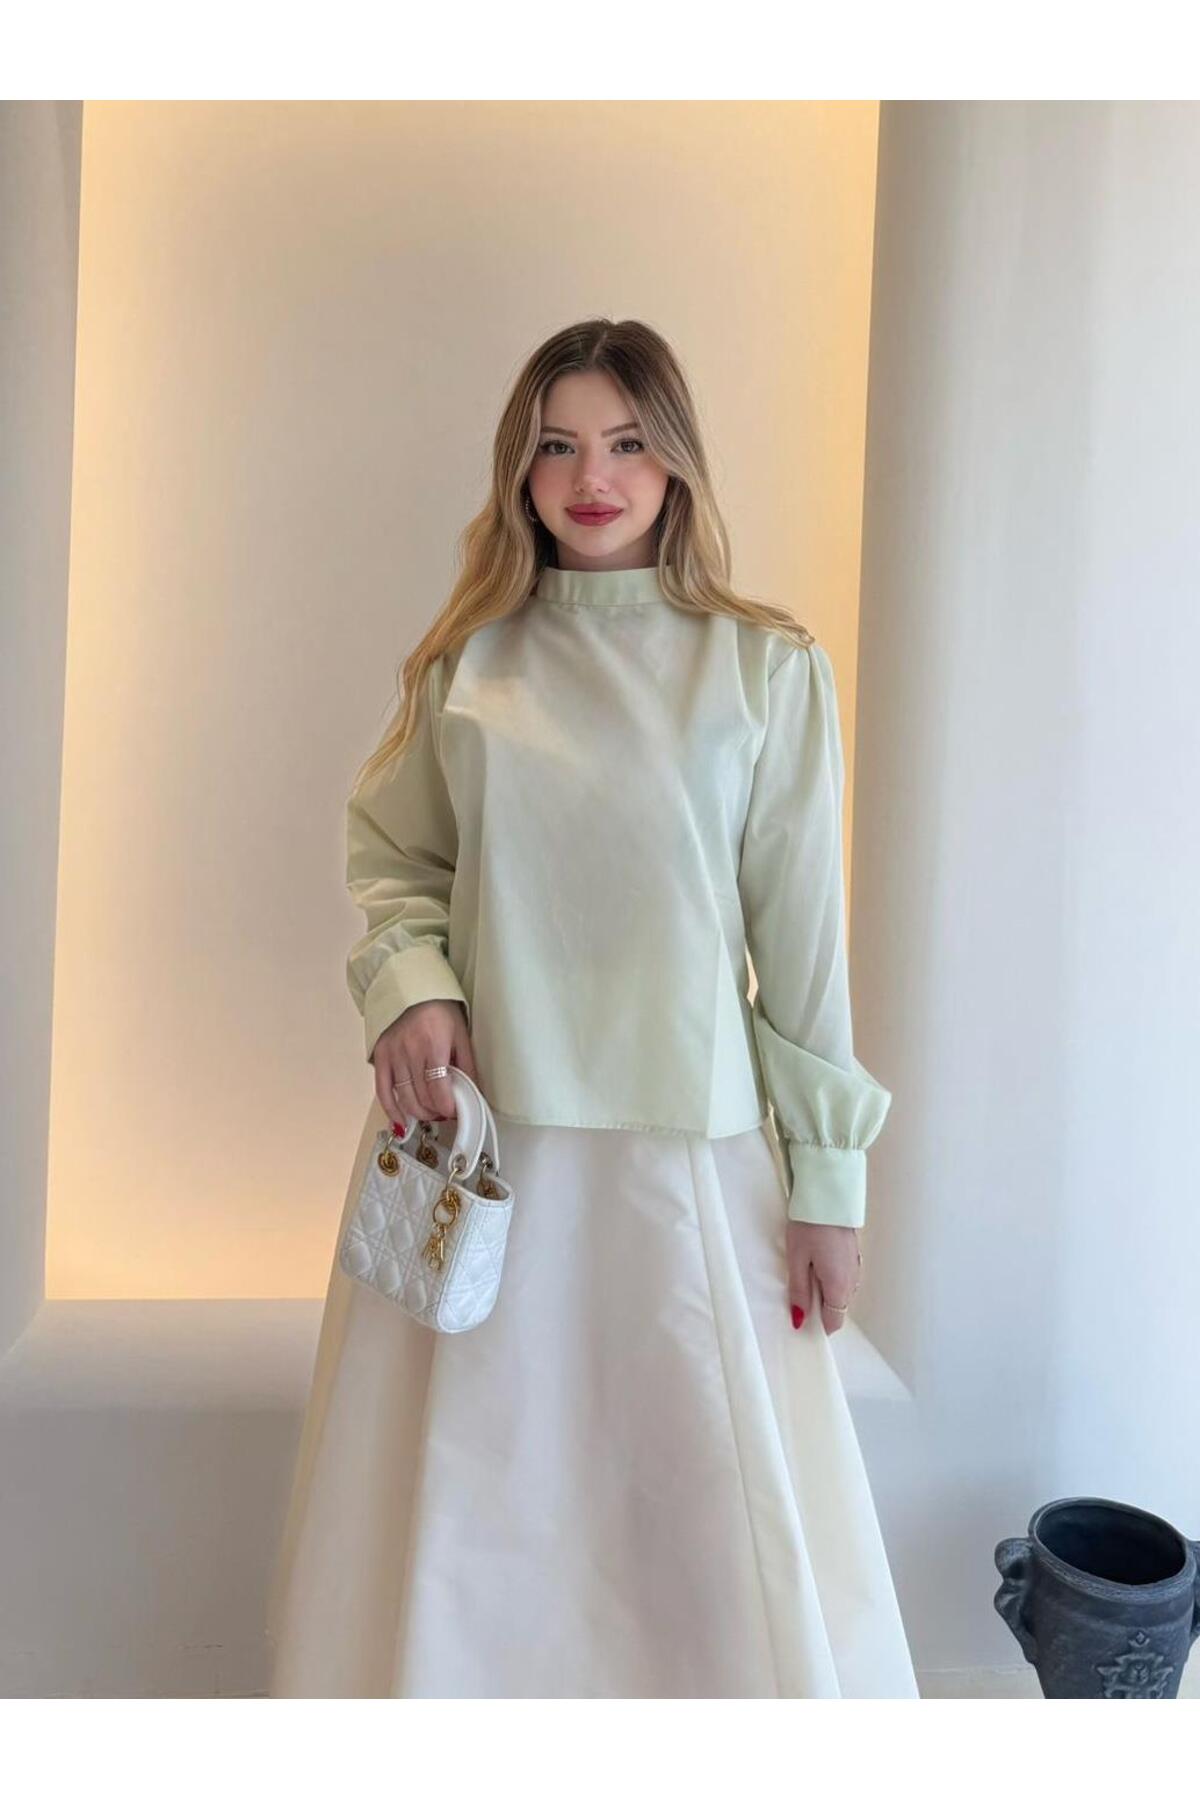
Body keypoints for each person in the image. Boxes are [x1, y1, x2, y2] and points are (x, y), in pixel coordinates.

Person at [265, 317, 919, 1699]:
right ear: (520, 470)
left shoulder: (764, 669)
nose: (592, 477)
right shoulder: (469, 664)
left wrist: (829, 1185)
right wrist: (412, 991)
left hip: (691, 1170)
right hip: (491, 1160)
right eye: (556, 446)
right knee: (487, 1520)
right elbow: (397, 863)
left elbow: (803, 948)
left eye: (625, 442)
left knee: (698, 1531)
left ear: (677, 462)